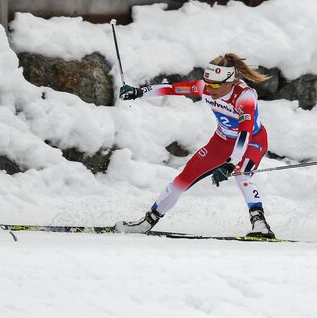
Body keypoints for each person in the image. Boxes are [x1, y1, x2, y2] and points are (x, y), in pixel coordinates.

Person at [115, 53, 275, 238]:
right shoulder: (204, 88)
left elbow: (245, 132)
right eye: (207, 83)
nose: (209, 89)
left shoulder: (245, 96)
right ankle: (146, 222)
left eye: (215, 85)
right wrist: (139, 92)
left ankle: (260, 224)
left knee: (241, 174)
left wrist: (231, 163)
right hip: (221, 142)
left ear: (230, 82)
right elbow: (171, 89)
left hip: (251, 141)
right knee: (183, 178)